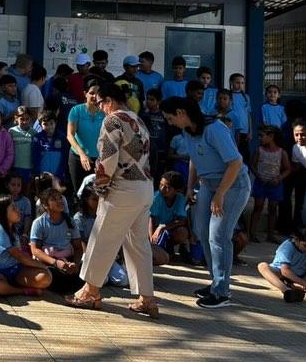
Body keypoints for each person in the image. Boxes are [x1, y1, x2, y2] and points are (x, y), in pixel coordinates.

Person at [66, 82, 157, 317]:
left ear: (109, 101)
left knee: (103, 239)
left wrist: (100, 189)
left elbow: (108, 159)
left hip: (123, 188)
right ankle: (146, 297)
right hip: (144, 187)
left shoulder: (113, 120)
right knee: (139, 245)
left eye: (100, 103)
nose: (100, 108)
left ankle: (90, 291)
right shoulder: (138, 120)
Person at [161, 95, 251, 308]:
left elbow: (235, 162)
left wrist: (220, 194)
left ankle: (222, 292)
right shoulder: (188, 131)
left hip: (232, 185)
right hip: (207, 185)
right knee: (201, 231)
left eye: (170, 118)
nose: (169, 123)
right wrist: (190, 187)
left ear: (181, 113)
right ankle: (215, 283)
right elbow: (194, 158)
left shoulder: (215, 129)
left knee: (218, 236)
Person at [0, 195, 52, 296]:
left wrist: (44, 269)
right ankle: (22, 291)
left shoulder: (14, 229)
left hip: (16, 271)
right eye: (13, 208)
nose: (18, 210)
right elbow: (19, 256)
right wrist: (44, 266)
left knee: (45, 278)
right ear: (2, 213)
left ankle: (13, 286)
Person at [249, 125, 291, 243]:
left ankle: (271, 235)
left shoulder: (281, 152)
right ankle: (252, 234)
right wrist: (258, 176)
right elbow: (252, 165)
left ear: (271, 136)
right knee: (258, 207)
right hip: (261, 183)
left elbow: (288, 169)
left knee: (273, 208)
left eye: (262, 136)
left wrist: (279, 178)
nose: (259, 138)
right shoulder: (259, 150)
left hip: (275, 185)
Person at [66, 79, 104, 194]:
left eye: (97, 93)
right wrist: (82, 154)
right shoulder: (76, 110)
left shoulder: (105, 112)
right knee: (79, 194)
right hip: (78, 158)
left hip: (99, 160)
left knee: (97, 194)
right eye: (91, 93)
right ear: (85, 94)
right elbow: (70, 135)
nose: (94, 96)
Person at [257, 227, 306, 303]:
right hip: (282, 274)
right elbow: (285, 271)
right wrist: (305, 283)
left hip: (301, 276)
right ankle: (286, 290)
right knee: (262, 266)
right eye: (305, 245)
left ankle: (295, 286)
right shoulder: (287, 246)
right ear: (296, 240)